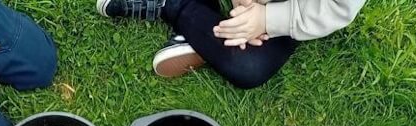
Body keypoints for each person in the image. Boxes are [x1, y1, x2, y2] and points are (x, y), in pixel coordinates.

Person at [96, 0, 366, 89]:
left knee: (250, 67)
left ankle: (175, 6)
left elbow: (336, 6)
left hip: (290, 7)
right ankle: (204, 35)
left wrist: (268, 19)